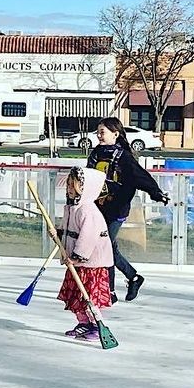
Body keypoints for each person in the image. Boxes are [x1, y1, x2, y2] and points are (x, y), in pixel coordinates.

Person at [86, 117, 169, 302]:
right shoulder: (96, 153)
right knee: (107, 246)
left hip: (117, 209)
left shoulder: (123, 156)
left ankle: (110, 291)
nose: (99, 135)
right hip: (99, 207)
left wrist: (156, 192)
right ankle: (133, 278)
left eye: (103, 132)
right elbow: (88, 176)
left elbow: (139, 176)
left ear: (115, 134)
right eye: (98, 132)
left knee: (105, 246)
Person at [57, 166, 114, 341]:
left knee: (88, 296)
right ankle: (84, 323)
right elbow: (68, 228)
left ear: (85, 188)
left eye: (73, 185)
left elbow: (87, 238)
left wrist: (76, 256)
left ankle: (97, 325)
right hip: (76, 263)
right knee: (75, 295)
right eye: (68, 185)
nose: (69, 189)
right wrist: (58, 234)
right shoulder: (72, 207)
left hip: (90, 264)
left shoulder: (88, 210)